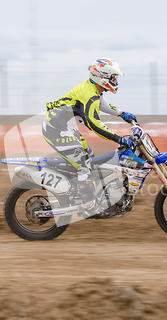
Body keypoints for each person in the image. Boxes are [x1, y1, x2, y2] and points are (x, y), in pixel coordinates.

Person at [43, 58, 137, 213]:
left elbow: (103, 104)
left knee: (90, 157)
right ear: (102, 77)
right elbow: (94, 124)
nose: (115, 80)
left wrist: (121, 114)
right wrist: (118, 139)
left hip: (66, 128)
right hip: (56, 130)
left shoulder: (94, 90)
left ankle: (76, 189)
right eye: (113, 77)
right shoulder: (90, 94)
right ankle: (85, 203)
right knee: (84, 163)